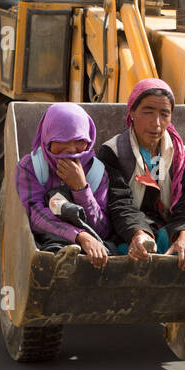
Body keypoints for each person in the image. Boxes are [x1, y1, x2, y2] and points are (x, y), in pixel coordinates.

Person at [96, 78, 185, 269]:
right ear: (132, 112)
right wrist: (138, 233)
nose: (156, 122)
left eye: (164, 114)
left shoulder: (181, 156)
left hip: (169, 228)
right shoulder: (113, 152)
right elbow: (118, 202)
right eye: (148, 112)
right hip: (125, 232)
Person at [15, 102, 112, 267]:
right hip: (48, 242)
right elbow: (36, 216)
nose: (71, 149)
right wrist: (79, 236)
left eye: (79, 140)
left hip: (93, 245)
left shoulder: (96, 172)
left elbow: (103, 229)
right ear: (47, 139)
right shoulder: (31, 167)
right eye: (62, 140)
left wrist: (81, 188)